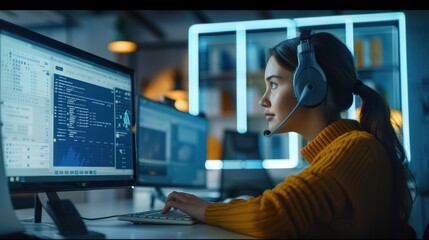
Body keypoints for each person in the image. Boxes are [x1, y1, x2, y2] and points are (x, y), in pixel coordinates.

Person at [161, 31, 416, 238]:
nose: (263, 100)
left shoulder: (356, 149)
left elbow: (272, 214)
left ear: (310, 87)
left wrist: (206, 209)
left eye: (273, 84)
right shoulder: (339, 151)